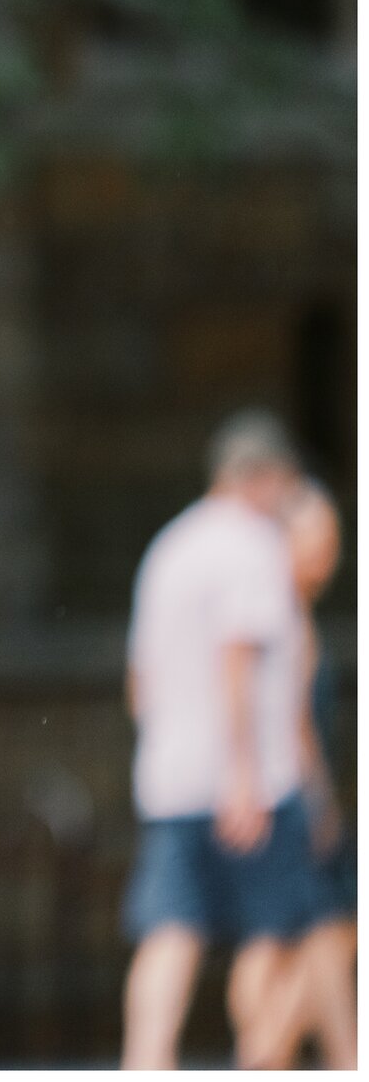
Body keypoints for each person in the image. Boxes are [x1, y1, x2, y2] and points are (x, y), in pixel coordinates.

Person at [119, 409, 317, 1070]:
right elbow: (238, 658)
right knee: (278, 933)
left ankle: (146, 1061)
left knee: (171, 931)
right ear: (260, 477)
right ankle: (260, 1062)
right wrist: (241, 771)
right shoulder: (251, 545)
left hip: (171, 775)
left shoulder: (167, 546)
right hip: (250, 779)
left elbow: (139, 682)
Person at [248, 481, 357, 1068]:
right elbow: (293, 725)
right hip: (291, 799)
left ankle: (304, 1050)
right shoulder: (281, 614)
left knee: (298, 938)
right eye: (320, 541)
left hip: (285, 798)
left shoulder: (290, 611)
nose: (330, 556)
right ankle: (269, 1049)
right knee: (322, 931)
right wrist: (318, 803)